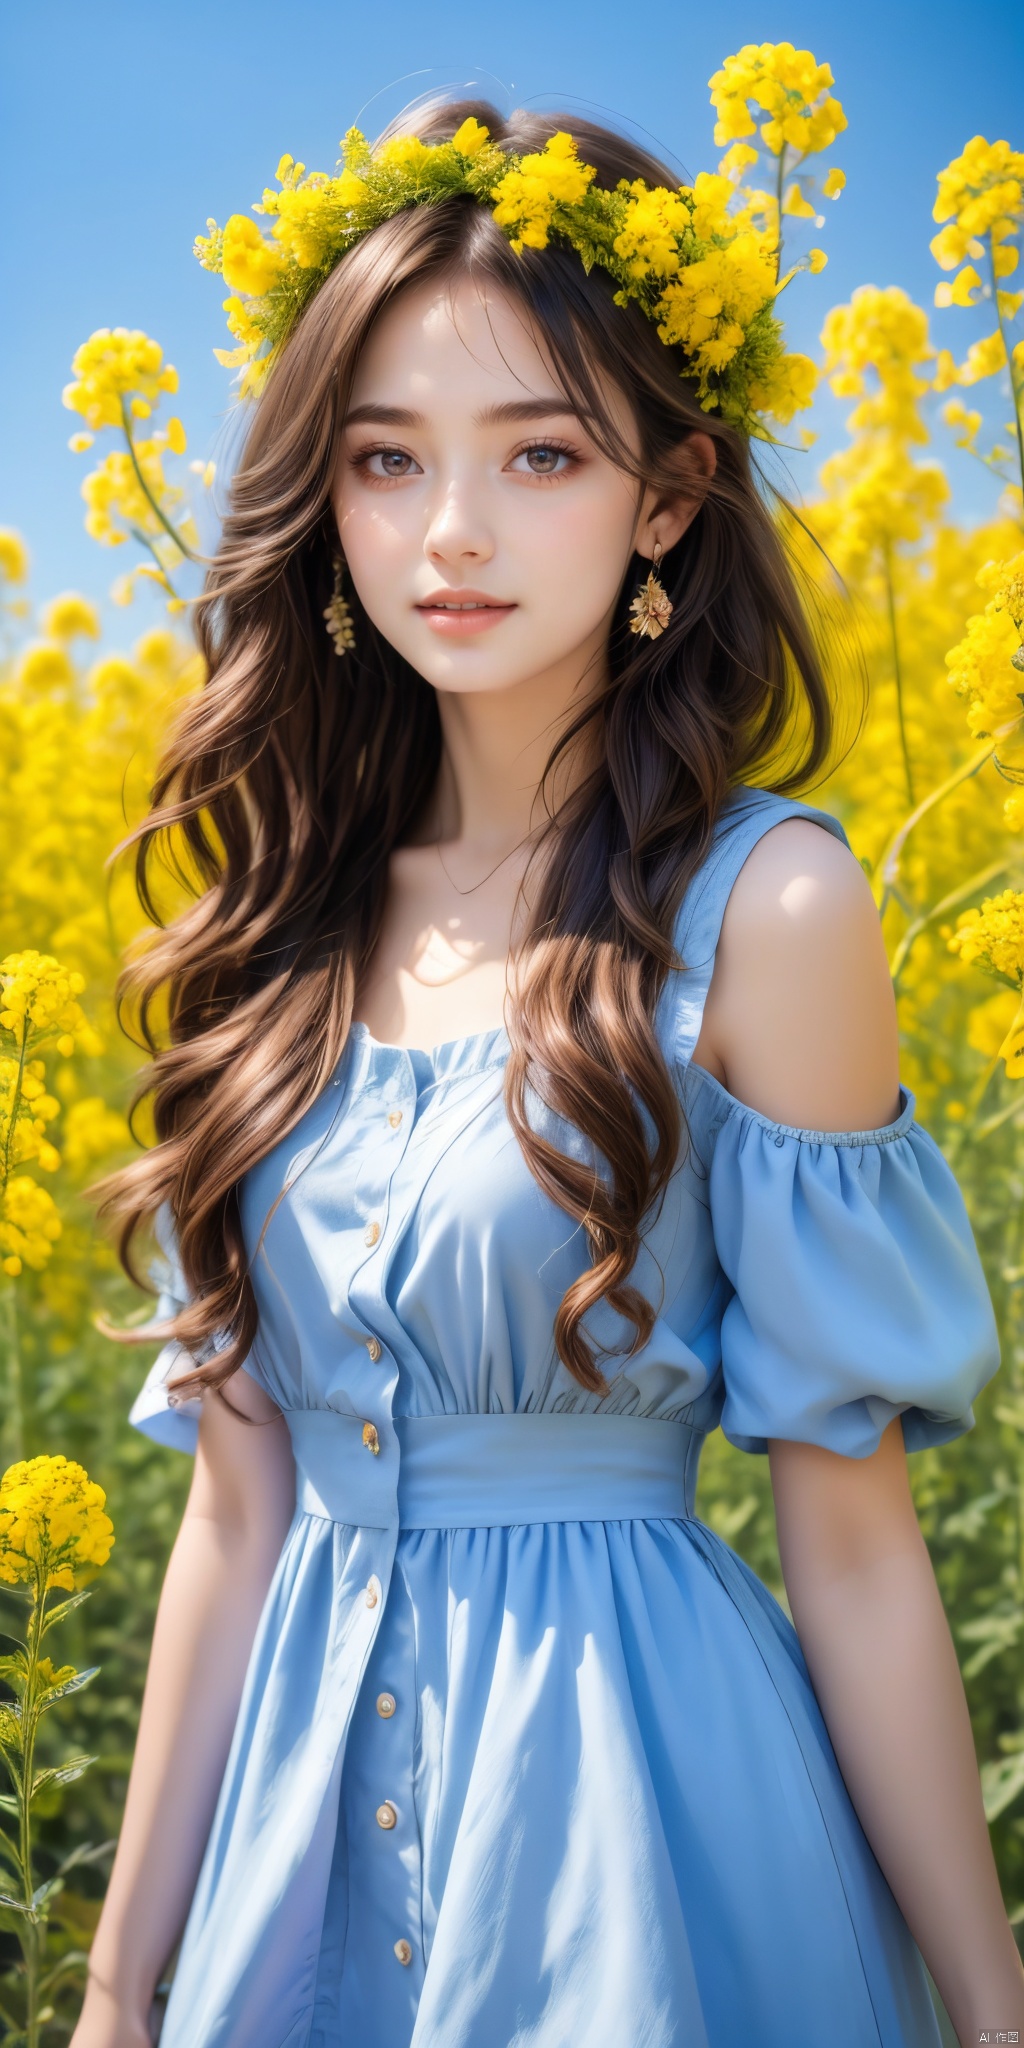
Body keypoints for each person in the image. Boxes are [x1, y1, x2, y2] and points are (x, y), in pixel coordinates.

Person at [72, 101, 1023, 2048]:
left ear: (665, 495)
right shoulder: (274, 929)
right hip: (301, 1834)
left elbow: (847, 1543)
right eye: (384, 458)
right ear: (317, 498)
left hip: (638, 1819)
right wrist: (111, 1989)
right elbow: (237, 1519)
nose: (450, 533)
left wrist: (996, 2007)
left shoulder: (768, 907)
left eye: (540, 454)